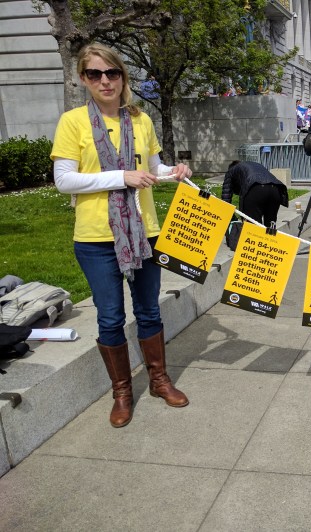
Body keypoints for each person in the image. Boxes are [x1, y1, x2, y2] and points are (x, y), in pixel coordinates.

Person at [51, 43, 192, 428]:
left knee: (149, 310)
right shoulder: (73, 121)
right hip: (97, 238)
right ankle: (122, 391)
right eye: (95, 74)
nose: (104, 81)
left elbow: (152, 167)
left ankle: (159, 380)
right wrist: (121, 177)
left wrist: (174, 171)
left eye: (112, 73)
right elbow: (63, 180)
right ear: (83, 79)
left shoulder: (140, 119)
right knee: (110, 317)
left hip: (144, 231)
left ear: (122, 76)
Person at [221, 160, 288, 227]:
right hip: (276, 189)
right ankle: (271, 236)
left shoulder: (231, 171)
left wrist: (229, 215)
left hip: (255, 188)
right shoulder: (255, 165)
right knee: (270, 227)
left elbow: (226, 197)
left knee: (253, 227)